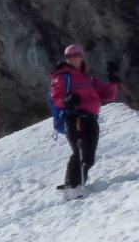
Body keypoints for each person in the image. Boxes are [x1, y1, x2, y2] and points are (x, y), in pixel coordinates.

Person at [49, 44, 120, 193]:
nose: (71, 59)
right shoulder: (62, 76)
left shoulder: (89, 77)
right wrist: (67, 102)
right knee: (80, 151)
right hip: (74, 118)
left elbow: (107, 95)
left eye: (75, 55)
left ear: (82, 56)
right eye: (68, 56)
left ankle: (79, 183)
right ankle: (72, 186)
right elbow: (56, 96)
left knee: (89, 156)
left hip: (91, 119)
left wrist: (113, 80)